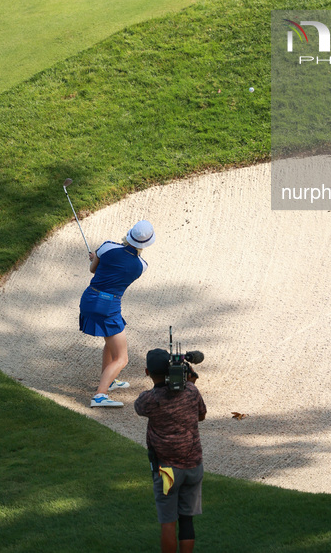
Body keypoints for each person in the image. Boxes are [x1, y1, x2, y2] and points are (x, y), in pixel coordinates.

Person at [134, 348, 206, 553]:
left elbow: (138, 406)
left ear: (147, 372)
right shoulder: (192, 391)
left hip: (167, 471)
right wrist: (190, 383)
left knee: (168, 522)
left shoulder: (149, 400)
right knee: (186, 521)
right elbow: (201, 416)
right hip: (194, 467)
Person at [79, 219, 155, 407]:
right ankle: (100, 395)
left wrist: (96, 257)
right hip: (108, 307)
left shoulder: (107, 247)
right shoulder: (141, 266)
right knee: (122, 358)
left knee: (110, 344)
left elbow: (93, 269)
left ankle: (109, 380)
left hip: (89, 298)